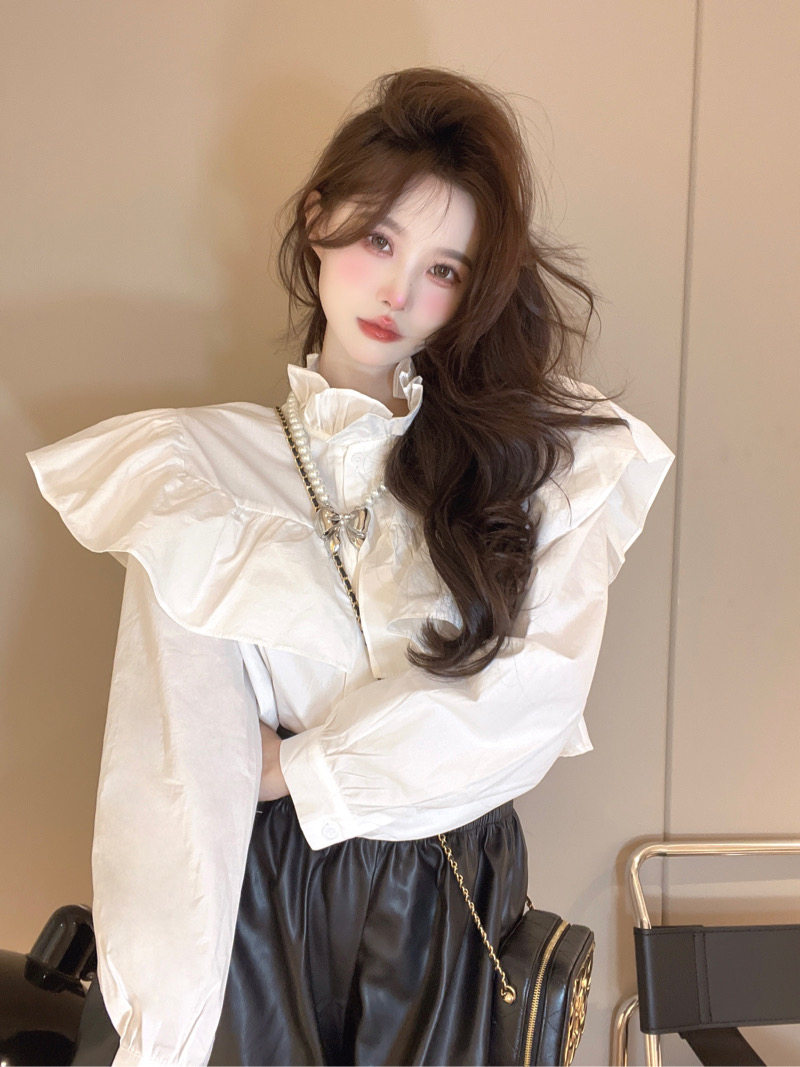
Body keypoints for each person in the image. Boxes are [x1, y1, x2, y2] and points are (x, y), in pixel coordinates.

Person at [26, 67, 674, 1067]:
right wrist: (158, 1032)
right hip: (263, 886)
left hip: (447, 878)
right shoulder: (197, 470)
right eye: (380, 240)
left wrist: (293, 766)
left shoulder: (524, 467)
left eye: (443, 268)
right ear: (319, 217)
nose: (397, 291)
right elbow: (175, 763)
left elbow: (526, 709)